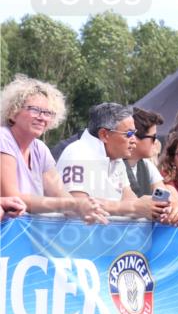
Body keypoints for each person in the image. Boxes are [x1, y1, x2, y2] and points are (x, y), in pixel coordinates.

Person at [58, 103, 178, 249]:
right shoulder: (78, 154)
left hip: (100, 248)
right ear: (104, 135)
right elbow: (77, 205)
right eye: (129, 134)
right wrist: (135, 207)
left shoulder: (123, 160)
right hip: (77, 249)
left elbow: (139, 200)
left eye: (135, 133)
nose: (134, 139)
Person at [0, 75, 108, 223]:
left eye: (47, 113)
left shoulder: (40, 149)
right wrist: (75, 204)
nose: (42, 117)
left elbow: (60, 194)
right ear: (13, 112)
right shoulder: (3, 138)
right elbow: (13, 198)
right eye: (34, 110)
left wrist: (89, 210)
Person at [124, 107, 165, 197]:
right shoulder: (114, 166)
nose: (156, 141)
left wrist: (171, 205)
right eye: (153, 137)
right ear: (135, 138)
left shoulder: (146, 165)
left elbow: (163, 194)